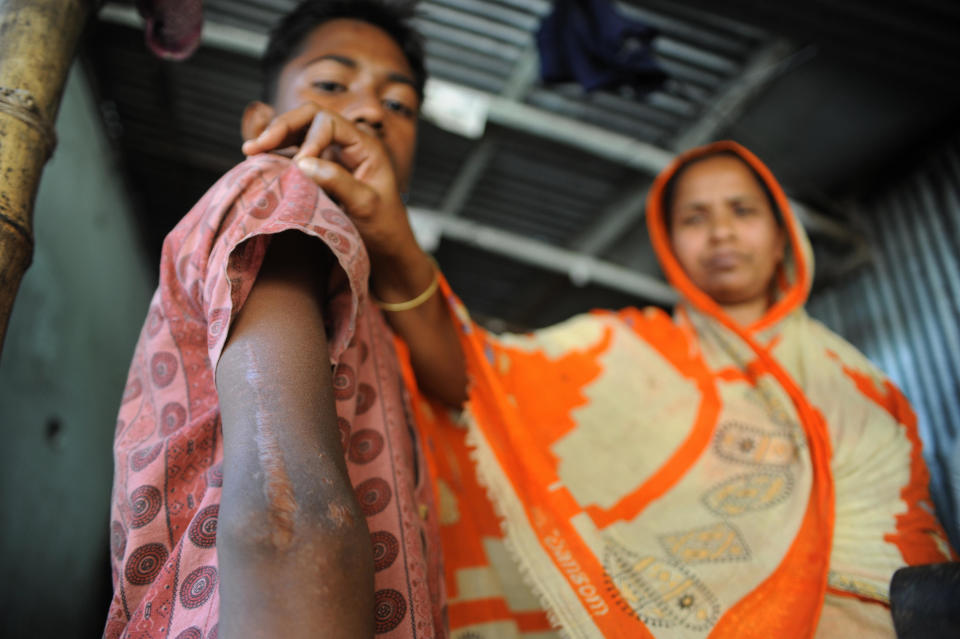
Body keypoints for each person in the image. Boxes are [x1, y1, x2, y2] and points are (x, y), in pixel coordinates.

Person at [402, 141, 956, 637]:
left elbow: (903, 537)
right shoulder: (614, 352)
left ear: (782, 232)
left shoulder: (858, 386)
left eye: (742, 211)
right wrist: (394, 255)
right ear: (668, 246)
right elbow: (478, 373)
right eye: (695, 217)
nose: (721, 232)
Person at [103, 2, 466, 638]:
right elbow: (287, 512)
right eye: (331, 83)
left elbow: (459, 384)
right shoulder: (286, 195)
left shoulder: (374, 281)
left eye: (400, 105)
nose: (371, 111)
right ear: (261, 122)